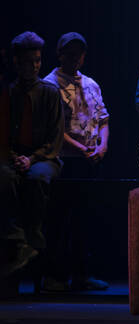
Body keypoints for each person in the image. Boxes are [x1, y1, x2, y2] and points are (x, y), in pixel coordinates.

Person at [41, 32, 109, 291]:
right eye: (69, 52)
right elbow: (54, 128)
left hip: (90, 160)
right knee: (60, 219)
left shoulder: (91, 83)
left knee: (85, 219)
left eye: (78, 53)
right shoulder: (50, 85)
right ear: (60, 54)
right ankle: (54, 276)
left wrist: (102, 145)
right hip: (66, 160)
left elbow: (103, 118)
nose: (74, 58)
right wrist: (82, 149)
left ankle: (83, 274)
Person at [0, 32, 64, 279]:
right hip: (11, 157)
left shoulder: (49, 92)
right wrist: (14, 156)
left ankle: (34, 239)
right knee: (5, 178)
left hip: (44, 157)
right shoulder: (8, 92)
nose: (34, 66)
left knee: (36, 178)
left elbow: (55, 138)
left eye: (37, 61)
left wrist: (32, 158)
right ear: (16, 62)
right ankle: (17, 239)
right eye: (28, 61)